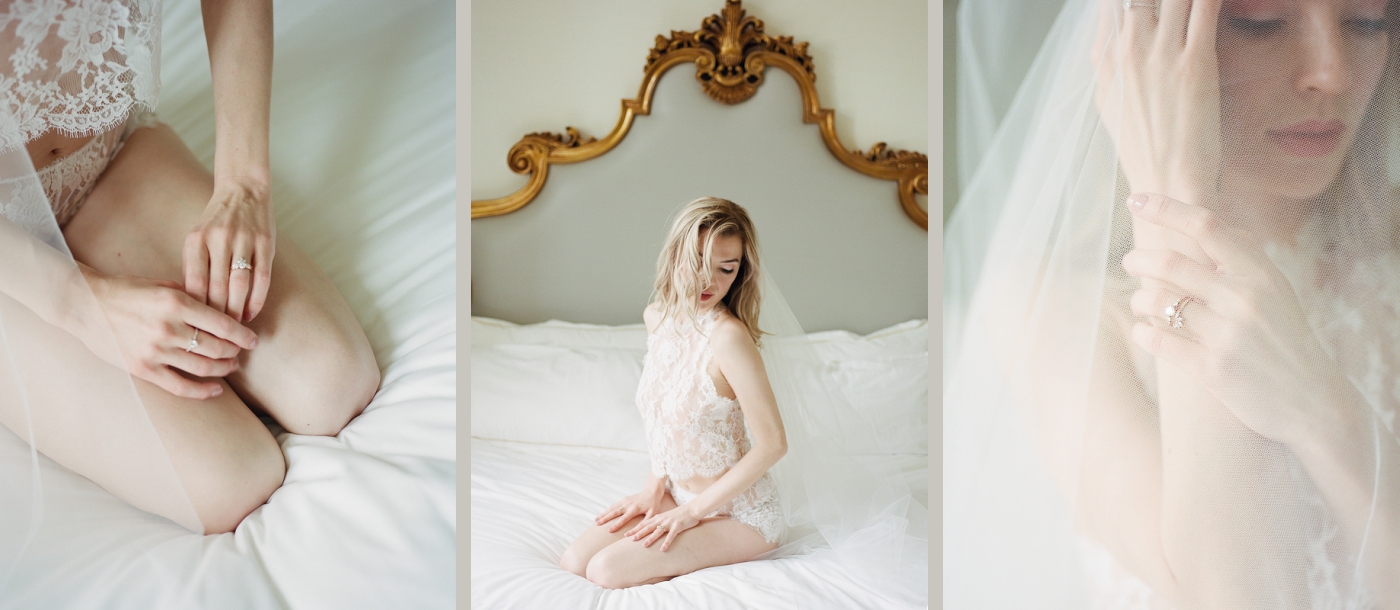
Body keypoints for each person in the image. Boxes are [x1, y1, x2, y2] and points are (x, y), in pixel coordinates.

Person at [945, 0, 1399, 607]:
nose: (1332, 73)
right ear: (1141, 47)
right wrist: (1174, 192)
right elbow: (1242, 598)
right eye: (1259, 22)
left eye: (1368, 21)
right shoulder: (1050, 306)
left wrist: (1326, 417)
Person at [0, 0, 380, 535]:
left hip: (101, 158)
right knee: (234, 478)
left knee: (333, 383)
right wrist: (82, 303)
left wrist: (244, 184)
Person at [557, 197, 787, 588]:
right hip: (676, 494)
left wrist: (692, 513)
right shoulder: (657, 318)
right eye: (698, 263)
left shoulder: (729, 338)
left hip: (739, 514)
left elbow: (773, 445)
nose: (710, 282)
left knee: (605, 571)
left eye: (726, 269)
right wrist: (652, 490)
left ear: (739, 273)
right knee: (575, 562)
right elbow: (664, 420)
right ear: (676, 255)